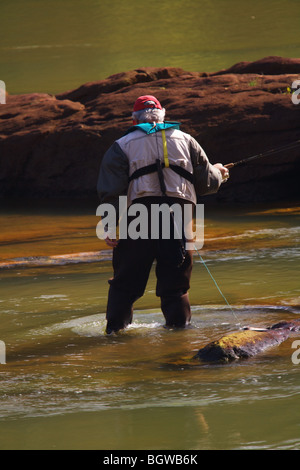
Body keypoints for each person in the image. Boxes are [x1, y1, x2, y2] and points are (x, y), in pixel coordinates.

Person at [97, 95, 229, 334]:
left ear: (134, 118)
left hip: (138, 215)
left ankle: (114, 335)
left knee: (125, 285)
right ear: (163, 116)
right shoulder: (188, 141)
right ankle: (178, 337)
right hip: (180, 215)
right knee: (175, 286)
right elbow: (208, 184)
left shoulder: (121, 144)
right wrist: (219, 172)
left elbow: (111, 191)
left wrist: (109, 226)